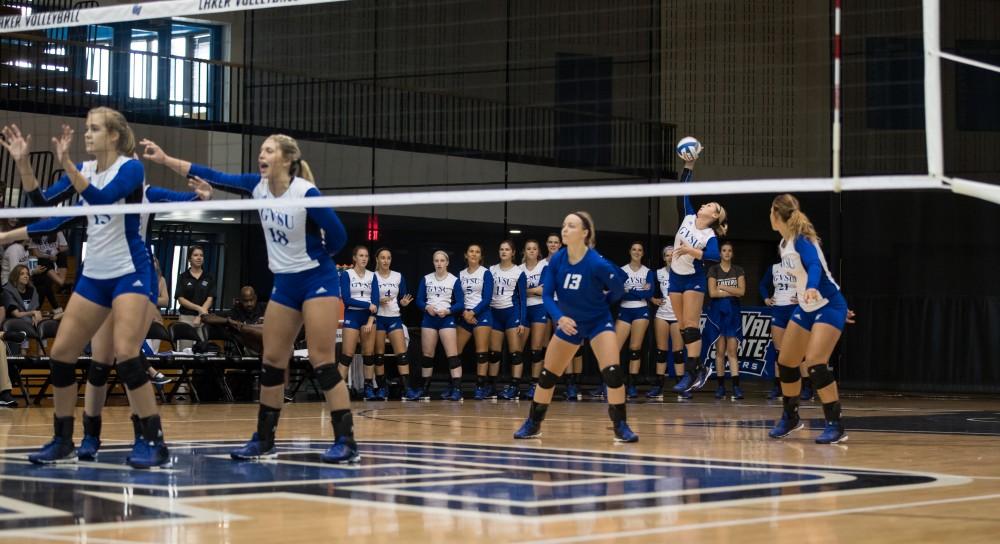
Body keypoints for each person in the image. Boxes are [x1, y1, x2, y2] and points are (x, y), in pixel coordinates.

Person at [141, 133, 356, 462]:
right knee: (271, 362)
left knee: (322, 361)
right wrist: (165, 158)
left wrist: (315, 257)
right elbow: (213, 175)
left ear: (287, 159)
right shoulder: (257, 186)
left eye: (269, 150)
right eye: (261, 150)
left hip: (317, 280)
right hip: (285, 284)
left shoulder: (304, 193)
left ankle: (346, 441)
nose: (262, 155)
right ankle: (264, 441)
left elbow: (339, 235)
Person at [0, 110, 170, 467]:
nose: (86, 135)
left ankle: (153, 441)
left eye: (93, 129)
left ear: (113, 135)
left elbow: (103, 199)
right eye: (86, 128)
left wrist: (71, 169)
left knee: (126, 354)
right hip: (95, 274)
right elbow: (43, 207)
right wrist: (24, 165)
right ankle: (63, 439)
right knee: (61, 352)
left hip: (130, 271)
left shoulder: (130, 169)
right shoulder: (85, 170)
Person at [513, 211, 636, 442]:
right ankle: (533, 423)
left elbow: (618, 289)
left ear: (585, 233)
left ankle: (621, 426)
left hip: (599, 321)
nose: (565, 229)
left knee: (613, 373)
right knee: (548, 375)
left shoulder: (596, 262)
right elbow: (547, 296)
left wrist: (601, 306)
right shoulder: (557, 260)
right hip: (569, 323)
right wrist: (560, 317)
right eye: (564, 225)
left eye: (571, 226)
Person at [767, 194, 849, 444]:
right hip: (806, 306)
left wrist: (812, 287)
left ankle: (835, 424)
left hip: (828, 304)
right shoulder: (784, 244)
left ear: (776, 214)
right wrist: (804, 293)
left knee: (815, 363)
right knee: (787, 362)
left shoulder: (802, 240)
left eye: (769, 212)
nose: (768, 217)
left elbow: (814, 266)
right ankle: (790, 417)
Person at [669, 147, 727, 394]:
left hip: (693, 278)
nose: (704, 204)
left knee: (691, 325)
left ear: (714, 216)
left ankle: (691, 372)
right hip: (674, 276)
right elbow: (682, 190)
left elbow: (713, 256)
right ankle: (700, 369)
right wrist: (689, 165)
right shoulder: (688, 217)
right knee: (682, 327)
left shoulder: (709, 234)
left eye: (710, 205)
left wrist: (692, 252)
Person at [411, 250, 464, 401]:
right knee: (427, 356)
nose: (439, 263)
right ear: (433, 262)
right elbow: (419, 300)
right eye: (436, 260)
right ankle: (425, 389)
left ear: (447, 263)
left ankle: (457, 389)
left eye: (442, 260)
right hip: (429, 319)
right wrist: (426, 307)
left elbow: (460, 303)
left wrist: (448, 311)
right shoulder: (426, 279)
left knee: (452, 356)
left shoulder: (454, 280)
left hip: (446, 319)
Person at [706, 241, 746, 400]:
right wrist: (732, 291)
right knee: (720, 351)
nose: (727, 253)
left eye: (730, 250)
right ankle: (721, 386)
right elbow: (712, 293)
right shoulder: (713, 269)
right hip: (717, 313)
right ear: (720, 253)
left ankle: (736, 386)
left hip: (733, 313)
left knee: (732, 351)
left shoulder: (738, 270)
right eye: (724, 250)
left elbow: (742, 291)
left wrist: (723, 288)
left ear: (732, 253)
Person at [337, 246, 378, 400]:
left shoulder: (372, 276)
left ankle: (368, 388)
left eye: (366, 256)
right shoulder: (347, 274)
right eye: (361, 255)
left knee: (368, 355)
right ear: (354, 258)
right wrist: (367, 305)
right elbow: (347, 300)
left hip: (368, 318)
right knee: (347, 355)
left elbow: (375, 301)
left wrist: (370, 319)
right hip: (352, 316)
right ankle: (338, 390)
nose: (364, 258)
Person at [372, 247, 412, 400]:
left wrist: (403, 302)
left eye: (388, 258)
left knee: (401, 355)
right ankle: (382, 389)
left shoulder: (398, 276)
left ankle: (407, 389)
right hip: (379, 318)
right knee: (379, 356)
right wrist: (378, 301)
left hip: (394, 317)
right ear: (377, 259)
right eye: (382, 258)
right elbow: (368, 299)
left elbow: (402, 297)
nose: (385, 261)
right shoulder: (372, 276)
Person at [616, 242, 655, 399]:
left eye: (640, 250)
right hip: (625, 310)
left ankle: (632, 385)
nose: (637, 252)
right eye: (634, 249)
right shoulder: (622, 270)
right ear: (629, 251)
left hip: (641, 309)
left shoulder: (647, 272)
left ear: (643, 253)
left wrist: (629, 291)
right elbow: (617, 293)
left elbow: (650, 293)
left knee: (635, 348)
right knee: (614, 348)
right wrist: (638, 291)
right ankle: (610, 383)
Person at [489, 240, 527, 400]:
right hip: (494, 313)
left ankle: (515, 387)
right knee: (494, 353)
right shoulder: (491, 270)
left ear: (513, 253)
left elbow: (523, 299)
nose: (504, 252)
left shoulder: (518, 272)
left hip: (511, 313)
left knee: (515, 353)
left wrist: (522, 321)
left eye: (507, 249)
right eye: (501, 249)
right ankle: (492, 387)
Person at [648, 245, 687, 400]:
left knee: (678, 352)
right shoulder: (657, 273)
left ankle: (681, 386)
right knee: (661, 352)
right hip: (662, 315)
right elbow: (649, 291)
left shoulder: (683, 273)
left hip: (677, 316)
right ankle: (658, 386)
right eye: (667, 255)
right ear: (664, 258)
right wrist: (653, 299)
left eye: (673, 255)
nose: (670, 257)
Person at [456, 244, 494, 400]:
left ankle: (480, 387)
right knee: (455, 352)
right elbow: (457, 297)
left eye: (477, 252)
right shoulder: (460, 274)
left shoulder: (486, 273)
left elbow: (487, 298)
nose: (474, 254)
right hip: (464, 315)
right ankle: (455, 387)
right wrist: (465, 312)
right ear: (466, 255)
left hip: (481, 314)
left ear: (480, 256)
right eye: (471, 251)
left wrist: (473, 312)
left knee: (481, 353)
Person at [545, 233, 579, 400]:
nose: (553, 245)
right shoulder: (541, 264)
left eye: (556, 242)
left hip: (565, 306)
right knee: (544, 347)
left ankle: (570, 384)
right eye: (550, 242)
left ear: (560, 245)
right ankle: (544, 385)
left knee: (566, 343)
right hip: (543, 307)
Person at [760, 255, 798, 400]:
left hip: (794, 309)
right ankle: (778, 387)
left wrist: (801, 298)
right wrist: (766, 299)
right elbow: (762, 285)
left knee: (797, 351)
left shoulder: (799, 268)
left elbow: (809, 285)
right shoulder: (774, 268)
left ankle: (805, 387)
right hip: (778, 309)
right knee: (779, 352)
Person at [520, 239, 549, 399]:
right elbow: (517, 292)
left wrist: (525, 290)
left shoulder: (543, 267)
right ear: (524, 251)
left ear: (538, 252)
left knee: (536, 350)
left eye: (534, 249)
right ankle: (515, 384)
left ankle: (534, 385)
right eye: (528, 248)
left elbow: (543, 291)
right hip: (523, 309)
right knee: (517, 350)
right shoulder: (519, 269)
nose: (531, 251)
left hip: (539, 308)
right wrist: (533, 290)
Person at [175, 245, 215, 351]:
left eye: (201, 255)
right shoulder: (183, 277)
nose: (199, 257)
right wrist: (199, 309)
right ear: (189, 259)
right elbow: (181, 299)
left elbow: (210, 298)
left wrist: (200, 314)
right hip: (186, 318)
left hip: (204, 318)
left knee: (203, 351)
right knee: (184, 351)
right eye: (195, 255)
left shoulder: (209, 276)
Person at [28, 231, 69, 313]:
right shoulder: (35, 234)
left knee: (63, 255)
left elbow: (65, 247)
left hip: (54, 263)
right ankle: (56, 308)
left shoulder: (57, 232)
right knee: (44, 284)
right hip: (42, 263)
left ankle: (37, 310)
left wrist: (56, 251)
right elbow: (36, 253)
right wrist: (49, 257)